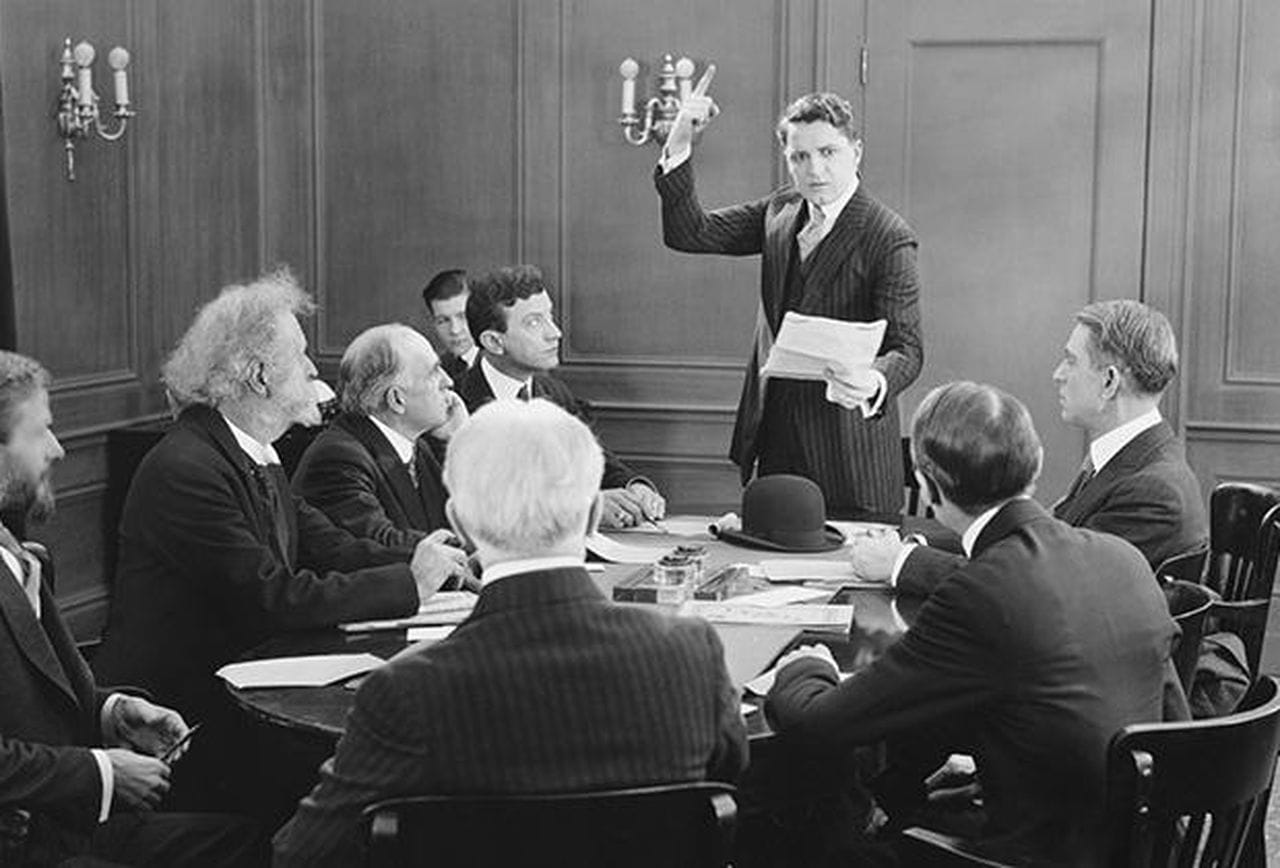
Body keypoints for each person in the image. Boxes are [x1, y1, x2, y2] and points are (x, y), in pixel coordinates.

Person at [273, 399, 748, 867]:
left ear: (460, 525)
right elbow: (729, 792)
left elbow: (302, 854)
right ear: (590, 518)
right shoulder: (691, 653)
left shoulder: (403, 691)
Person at [766, 381, 1182, 866]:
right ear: (1036, 465)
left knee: (814, 832)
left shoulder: (979, 591)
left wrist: (806, 667)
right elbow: (1172, 721)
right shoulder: (1124, 559)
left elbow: (817, 724)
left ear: (926, 485)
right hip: (1137, 845)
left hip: (1027, 856)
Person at [92, 272, 471, 756]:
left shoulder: (249, 451)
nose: (313, 368)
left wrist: (431, 561)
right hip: (177, 722)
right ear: (260, 376)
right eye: (300, 354)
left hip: (241, 691)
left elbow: (332, 546)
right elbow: (271, 595)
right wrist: (409, 582)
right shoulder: (189, 468)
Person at [0, 350, 267, 866]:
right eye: (40, 432)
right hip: (29, 845)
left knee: (255, 839)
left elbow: (37, 701)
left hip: (63, 827)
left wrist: (115, 714)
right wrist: (101, 772)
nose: (58, 448)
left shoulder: (20, 554)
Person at [654, 77, 922, 517]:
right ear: (788, 160)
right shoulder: (781, 210)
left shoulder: (888, 235)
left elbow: (907, 350)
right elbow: (690, 232)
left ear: (856, 152)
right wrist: (680, 143)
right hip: (775, 444)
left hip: (850, 455)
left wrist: (873, 381)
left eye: (828, 152)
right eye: (800, 156)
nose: (814, 170)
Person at [853, 299, 1207, 596]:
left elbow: (1037, 587)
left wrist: (901, 564)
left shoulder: (1152, 490)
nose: (1058, 374)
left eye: (1071, 360)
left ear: (1110, 381)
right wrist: (912, 546)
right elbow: (1030, 543)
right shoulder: (1133, 459)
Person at [457, 264, 667, 529]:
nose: (555, 332)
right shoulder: (455, 406)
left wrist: (634, 487)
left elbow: (594, 458)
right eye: (534, 322)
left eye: (550, 316)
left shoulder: (555, 393)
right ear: (494, 342)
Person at [292, 324, 467, 549]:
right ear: (397, 400)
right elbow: (381, 544)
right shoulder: (338, 459)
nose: (448, 381)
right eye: (434, 372)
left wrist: (456, 440)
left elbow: (460, 515)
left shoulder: (420, 444)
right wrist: (467, 548)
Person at [421, 268, 476, 380]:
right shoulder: (438, 370)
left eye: (463, 317)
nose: (455, 330)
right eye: (443, 321)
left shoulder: (504, 364)